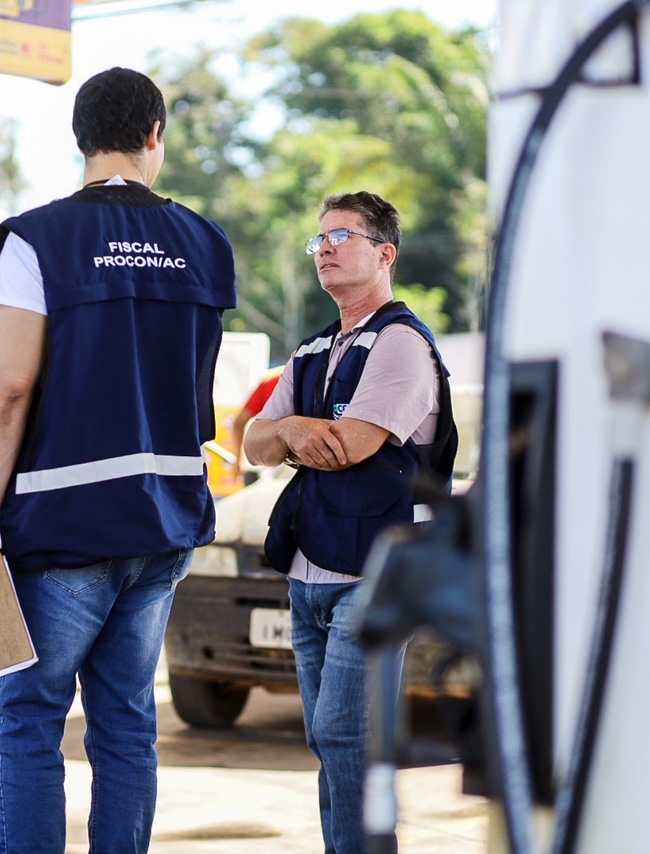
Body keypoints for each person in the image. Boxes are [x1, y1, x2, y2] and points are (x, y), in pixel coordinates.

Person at [0, 67, 236, 854]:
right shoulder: (205, 244)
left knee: (30, 719)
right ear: (154, 136)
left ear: (80, 140)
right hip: (163, 526)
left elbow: (6, 390)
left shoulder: (39, 239)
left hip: (61, 529)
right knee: (128, 723)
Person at [242, 191, 456, 854]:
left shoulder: (402, 344)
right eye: (319, 241)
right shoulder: (310, 348)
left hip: (373, 572)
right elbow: (253, 443)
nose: (325, 250)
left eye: (342, 237)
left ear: (384, 252)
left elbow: (352, 446)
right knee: (327, 741)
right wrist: (295, 428)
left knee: (346, 738)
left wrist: (290, 431)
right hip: (308, 575)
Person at [226, 364, 284, 484]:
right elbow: (239, 423)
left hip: (270, 463)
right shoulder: (275, 381)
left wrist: (238, 461)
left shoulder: (273, 380)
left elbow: (239, 423)